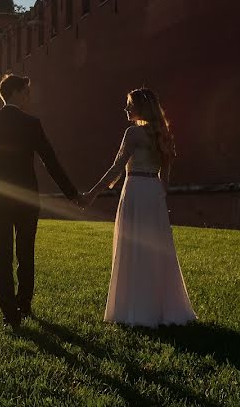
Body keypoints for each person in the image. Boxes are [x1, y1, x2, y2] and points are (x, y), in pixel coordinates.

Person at [0, 74, 81, 328]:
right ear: (15, 93)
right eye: (26, 91)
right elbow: (50, 161)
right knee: (25, 254)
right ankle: (24, 304)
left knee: (2, 257)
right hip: (27, 200)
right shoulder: (31, 123)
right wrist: (72, 194)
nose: (29, 96)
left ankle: (10, 314)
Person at [83, 88, 196, 328]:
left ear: (140, 109)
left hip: (134, 189)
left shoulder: (133, 133)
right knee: (156, 252)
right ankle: (161, 309)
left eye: (129, 105)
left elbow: (116, 168)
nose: (126, 110)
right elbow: (165, 176)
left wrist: (92, 194)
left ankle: (134, 310)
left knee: (133, 248)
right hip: (153, 193)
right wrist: (157, 195)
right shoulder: (162, 134)